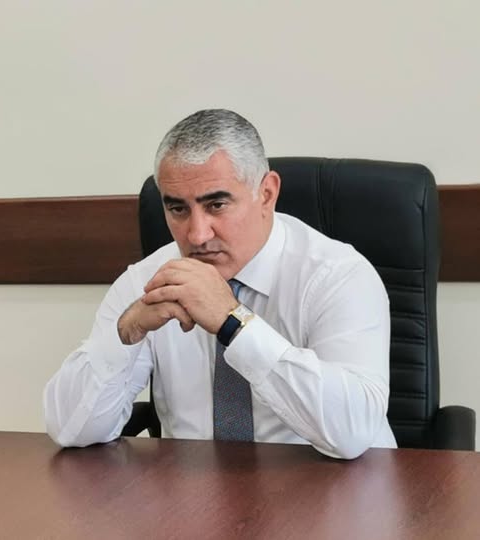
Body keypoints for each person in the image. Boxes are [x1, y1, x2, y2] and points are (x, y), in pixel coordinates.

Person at [43, 109, 396, 459]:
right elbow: (70, 430)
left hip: (328, 486)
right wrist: (125, 334)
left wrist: (234, 324)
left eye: (216, 205)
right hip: (193, 489)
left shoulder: (337, 275)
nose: (197, 235)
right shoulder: (148, 280)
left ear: (267, 194)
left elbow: (354, 433)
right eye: (178, 209)